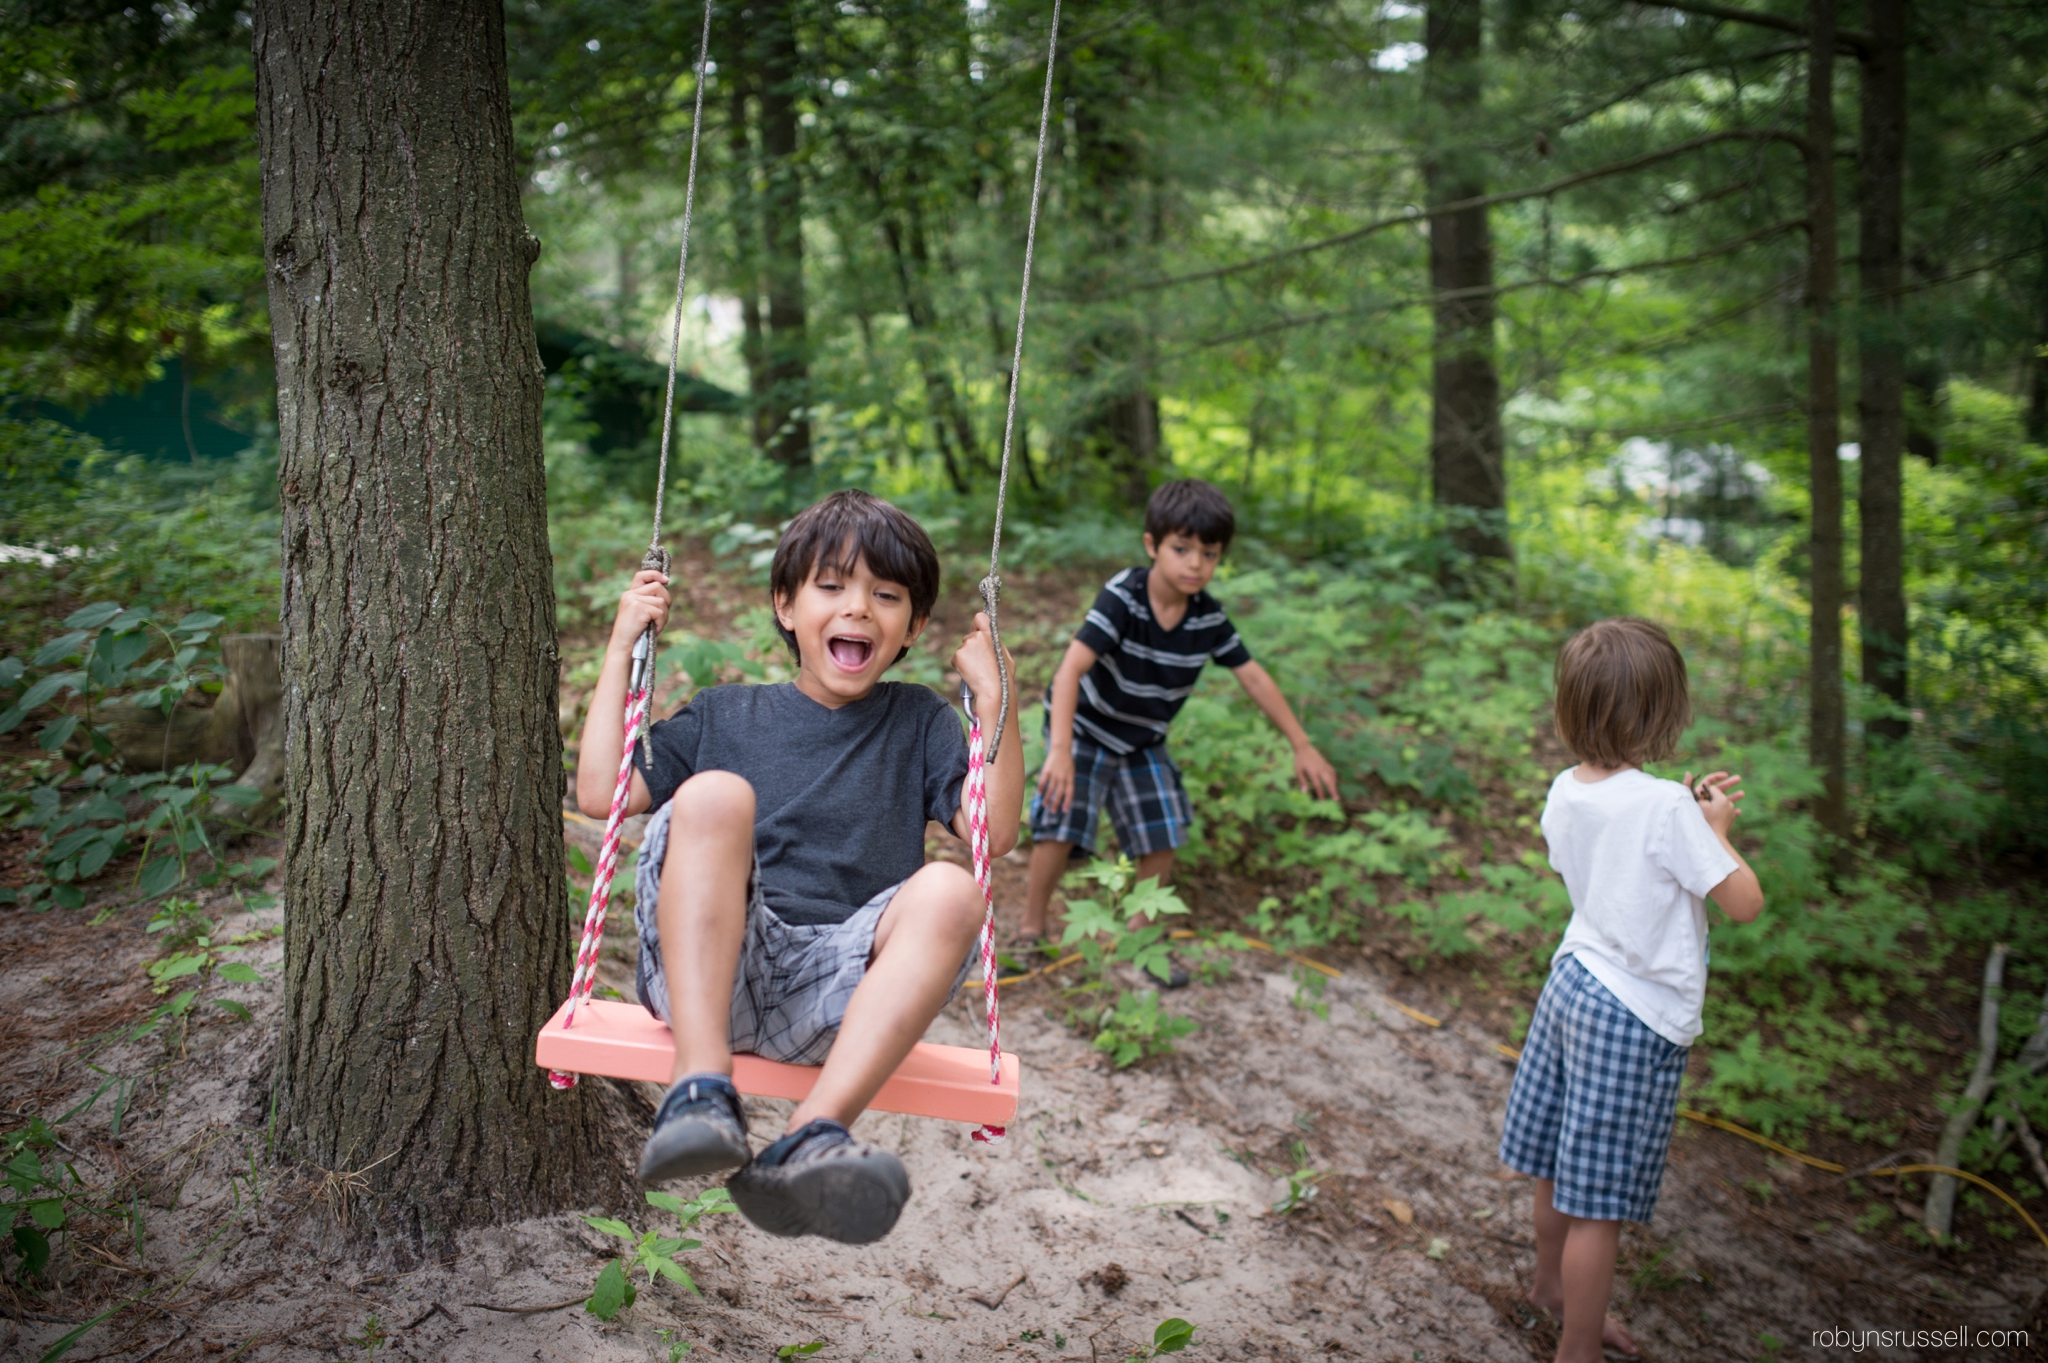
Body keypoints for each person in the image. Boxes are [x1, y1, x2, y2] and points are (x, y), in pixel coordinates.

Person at [575, 489, 1022, 1245]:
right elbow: (598, 792)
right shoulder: (724, 714)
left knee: (952, 884)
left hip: (843, 999)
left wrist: (996, 694)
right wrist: (624, 645)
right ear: (786, 605)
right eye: (832, 586)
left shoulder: (919, 721)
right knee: (712, 795)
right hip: (713, 973)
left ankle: (811, 1136)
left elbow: (995, 830)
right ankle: (699, 1087)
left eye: (885, 595)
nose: (858, 609)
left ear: (913, 626)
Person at [1498, 618, 1764, 1362]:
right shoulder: (1667, 807)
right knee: (1600, 1205)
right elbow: (1743, 902)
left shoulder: (1565, 789)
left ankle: (1548, 1289)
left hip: (1571, 983)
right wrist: (1717, 829)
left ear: (1570, 707)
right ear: (1662, 714)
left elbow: (1588, 866)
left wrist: (1682, 823)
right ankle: (1577, 1349)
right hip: (1634, 1014)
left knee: (1556, 1163)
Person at [1018, 478, 1339, 957]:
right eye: (1182, 548)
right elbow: (1069, 671)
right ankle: (1031, 929)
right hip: (1085, 726)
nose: (1195, 563)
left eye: (1209, 554)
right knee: (1060, 820)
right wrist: (1059, 751)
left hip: (1144, 738)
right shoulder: (1124, 598)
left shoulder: (1207, 618)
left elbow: (1252, 677)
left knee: (1161, 830)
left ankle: (1140, 938)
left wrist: (1301, 743)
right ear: (1152, 545)